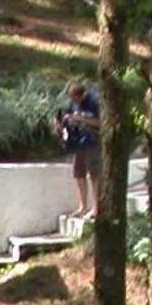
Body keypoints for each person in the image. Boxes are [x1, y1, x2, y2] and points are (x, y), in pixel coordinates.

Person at [58, 78, 101, 218]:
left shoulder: (94, 102)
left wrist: (82, 119)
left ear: (81, 95)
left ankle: (96, 207)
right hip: (78, 143)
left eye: (75, 99)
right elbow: (69, 118)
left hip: (93, 142)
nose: (74, 103)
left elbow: (101, 122)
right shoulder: (72, 104)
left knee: (95, 175)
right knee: (79, 174)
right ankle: (82, 207)